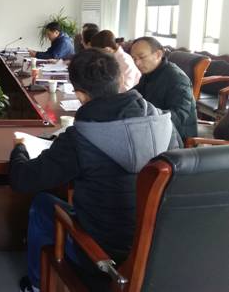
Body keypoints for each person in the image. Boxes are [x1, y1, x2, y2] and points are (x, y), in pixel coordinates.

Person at [10, 49, 179, 292]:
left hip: (101, 258)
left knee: (43, 203)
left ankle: (37, 285)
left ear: (80, 94)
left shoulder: (80, 138)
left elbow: (22, 180)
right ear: (121, 79)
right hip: (157, 253)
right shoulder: (164, 123)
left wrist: (20, 148)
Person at [131, 36, 198, 141]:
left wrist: (146, 117)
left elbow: (178, 116)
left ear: (158, 54)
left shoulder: (177, 78)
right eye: (134, 58)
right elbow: (135, 95)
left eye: (141, 57)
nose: (137, 63)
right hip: (154, 126)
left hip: (176, 135)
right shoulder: (149, 72)